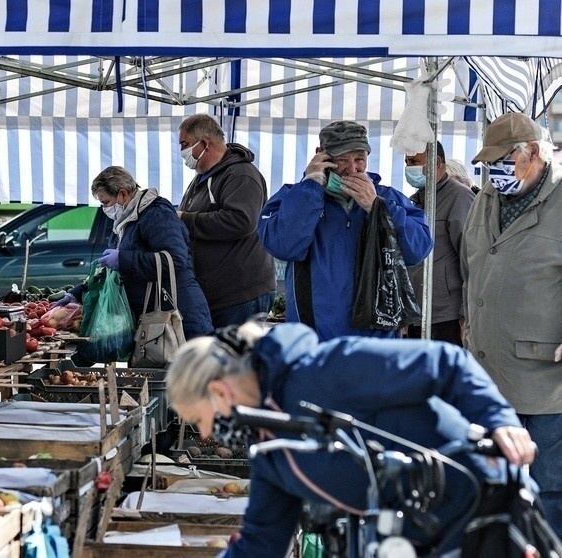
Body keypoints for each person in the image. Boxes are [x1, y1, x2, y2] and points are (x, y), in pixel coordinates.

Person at [166, 320, 536, 557]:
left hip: (482, 500)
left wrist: (500, 420)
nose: (203, 433)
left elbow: (445, 362)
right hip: (425, 534)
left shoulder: (323, 370)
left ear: (220, 392)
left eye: (200, 419)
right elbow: (261, 542)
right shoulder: (268, 453)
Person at [463, 111, 562, 538]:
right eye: (489, 163)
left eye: (503, 160)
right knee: (490, 485)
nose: (494, 171)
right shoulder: (487, 196)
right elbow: (473, 260)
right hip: (487, 368)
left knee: (549, 487)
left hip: (545, 376)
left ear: (533, 153)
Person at [257, 120, 433, 340]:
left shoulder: (388, 198)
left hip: (377, 340)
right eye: (342, 160)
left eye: (360, 159)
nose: (352, 168)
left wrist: (379, 209)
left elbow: (418, 250)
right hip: (316, 340)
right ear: (320, 156)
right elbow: (284, 246)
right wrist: (311, 187)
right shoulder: (293, 197)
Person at [59, 166, 213, 341]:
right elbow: (110, 272)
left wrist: (123, 260)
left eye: (106, 202)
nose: (105, 208)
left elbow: (174, 260)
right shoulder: (124, 222)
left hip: (180, 317)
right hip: (153, 319)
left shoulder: (157, 213)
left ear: (123, 194)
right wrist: (76, 294)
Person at [176, 114, 276, 328]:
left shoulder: (242, 175)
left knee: (235, 359)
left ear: (204, 143)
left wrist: (186, 219)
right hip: (215, 293)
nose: (182, 153)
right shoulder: (201, 179)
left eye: (184, 145)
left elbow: (241, 221)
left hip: (240, 294)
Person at [404, 141, 475, 345]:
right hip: (418, 313)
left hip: (446, 315)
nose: (409, 168)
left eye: (414, 161)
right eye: (407, 162)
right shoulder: (417, 200)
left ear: (436, 162)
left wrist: (466, 315)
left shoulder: (459, 197)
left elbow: (472, 258)